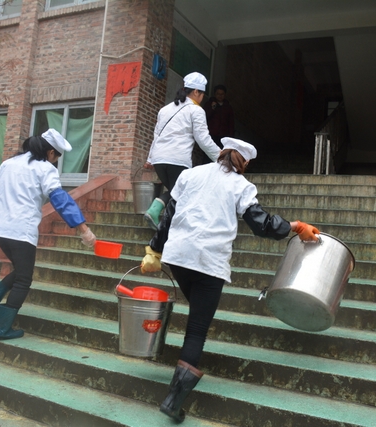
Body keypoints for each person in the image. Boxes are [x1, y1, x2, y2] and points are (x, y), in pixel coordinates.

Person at [140, 137, 320, 422]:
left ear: (222, 153)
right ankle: (174, 400)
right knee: (196, 330)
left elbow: (169, 215)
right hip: (208, 263)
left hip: (178, 257)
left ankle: (179, 386)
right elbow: (262, 224)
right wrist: (296, 226)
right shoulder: (240, 186)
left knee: (197, 316)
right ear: (243, 162)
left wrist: (154, 249)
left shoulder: (190, 174)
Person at [0, 128, 97, 341]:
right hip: (20, 230)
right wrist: (83, 229)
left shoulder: (8, 163)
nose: (55, 161)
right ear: (50, 153)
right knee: (24, 279)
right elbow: (60, 199)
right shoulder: (45, 169)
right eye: (56, 157)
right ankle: (2, 329)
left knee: (20, 271)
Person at [143, 72, 221, 230]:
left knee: (177, 193)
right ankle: (157, 213)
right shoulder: (196, 110)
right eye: (202, 94)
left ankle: (165, 223)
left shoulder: (165, 109)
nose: (202, 98)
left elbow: (157, 135)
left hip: (159, 160)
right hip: (177, 159)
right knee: (183, 192)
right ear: (196, 92)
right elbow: (203, 139)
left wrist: (150, 158)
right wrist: (221, 156)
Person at [203, 84, 235, 149]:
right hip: (210, 135)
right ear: (215, 94)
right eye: (218, 94)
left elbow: (231, 123)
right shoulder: (209, 104)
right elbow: (204, 117)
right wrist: (212, 109)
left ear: (225, 95)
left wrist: (231, 137)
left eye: (222, 94)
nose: (220, 96)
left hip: (223, 136)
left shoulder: (228, 107)